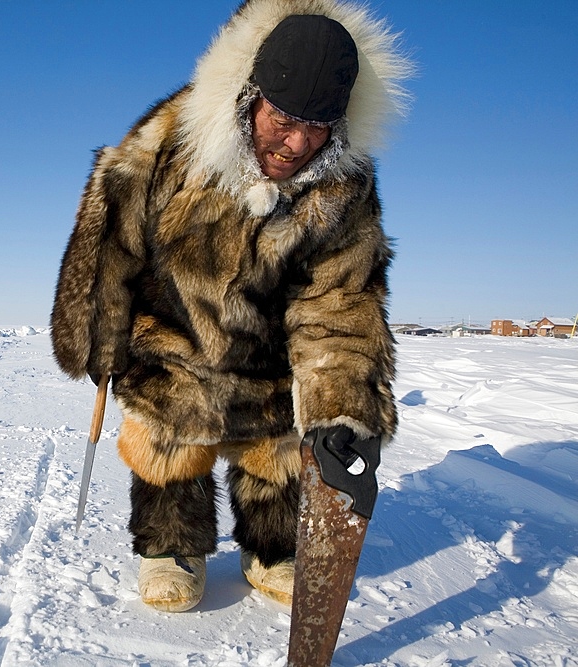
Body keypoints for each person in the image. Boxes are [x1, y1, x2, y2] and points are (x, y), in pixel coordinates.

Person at [51, 0, 411, 612]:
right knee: (169, 443)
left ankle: (272, 549)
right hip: (171, 336)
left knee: (278, 448)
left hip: (267, 355)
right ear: (251, 96)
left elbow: (340, 300)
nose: (297, 143)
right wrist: (96, 326)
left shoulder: (345, 187)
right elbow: (112, 238)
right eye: (284, 119)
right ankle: (171, 548)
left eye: (319, 126)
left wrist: (340, 401)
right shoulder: (176, 140)